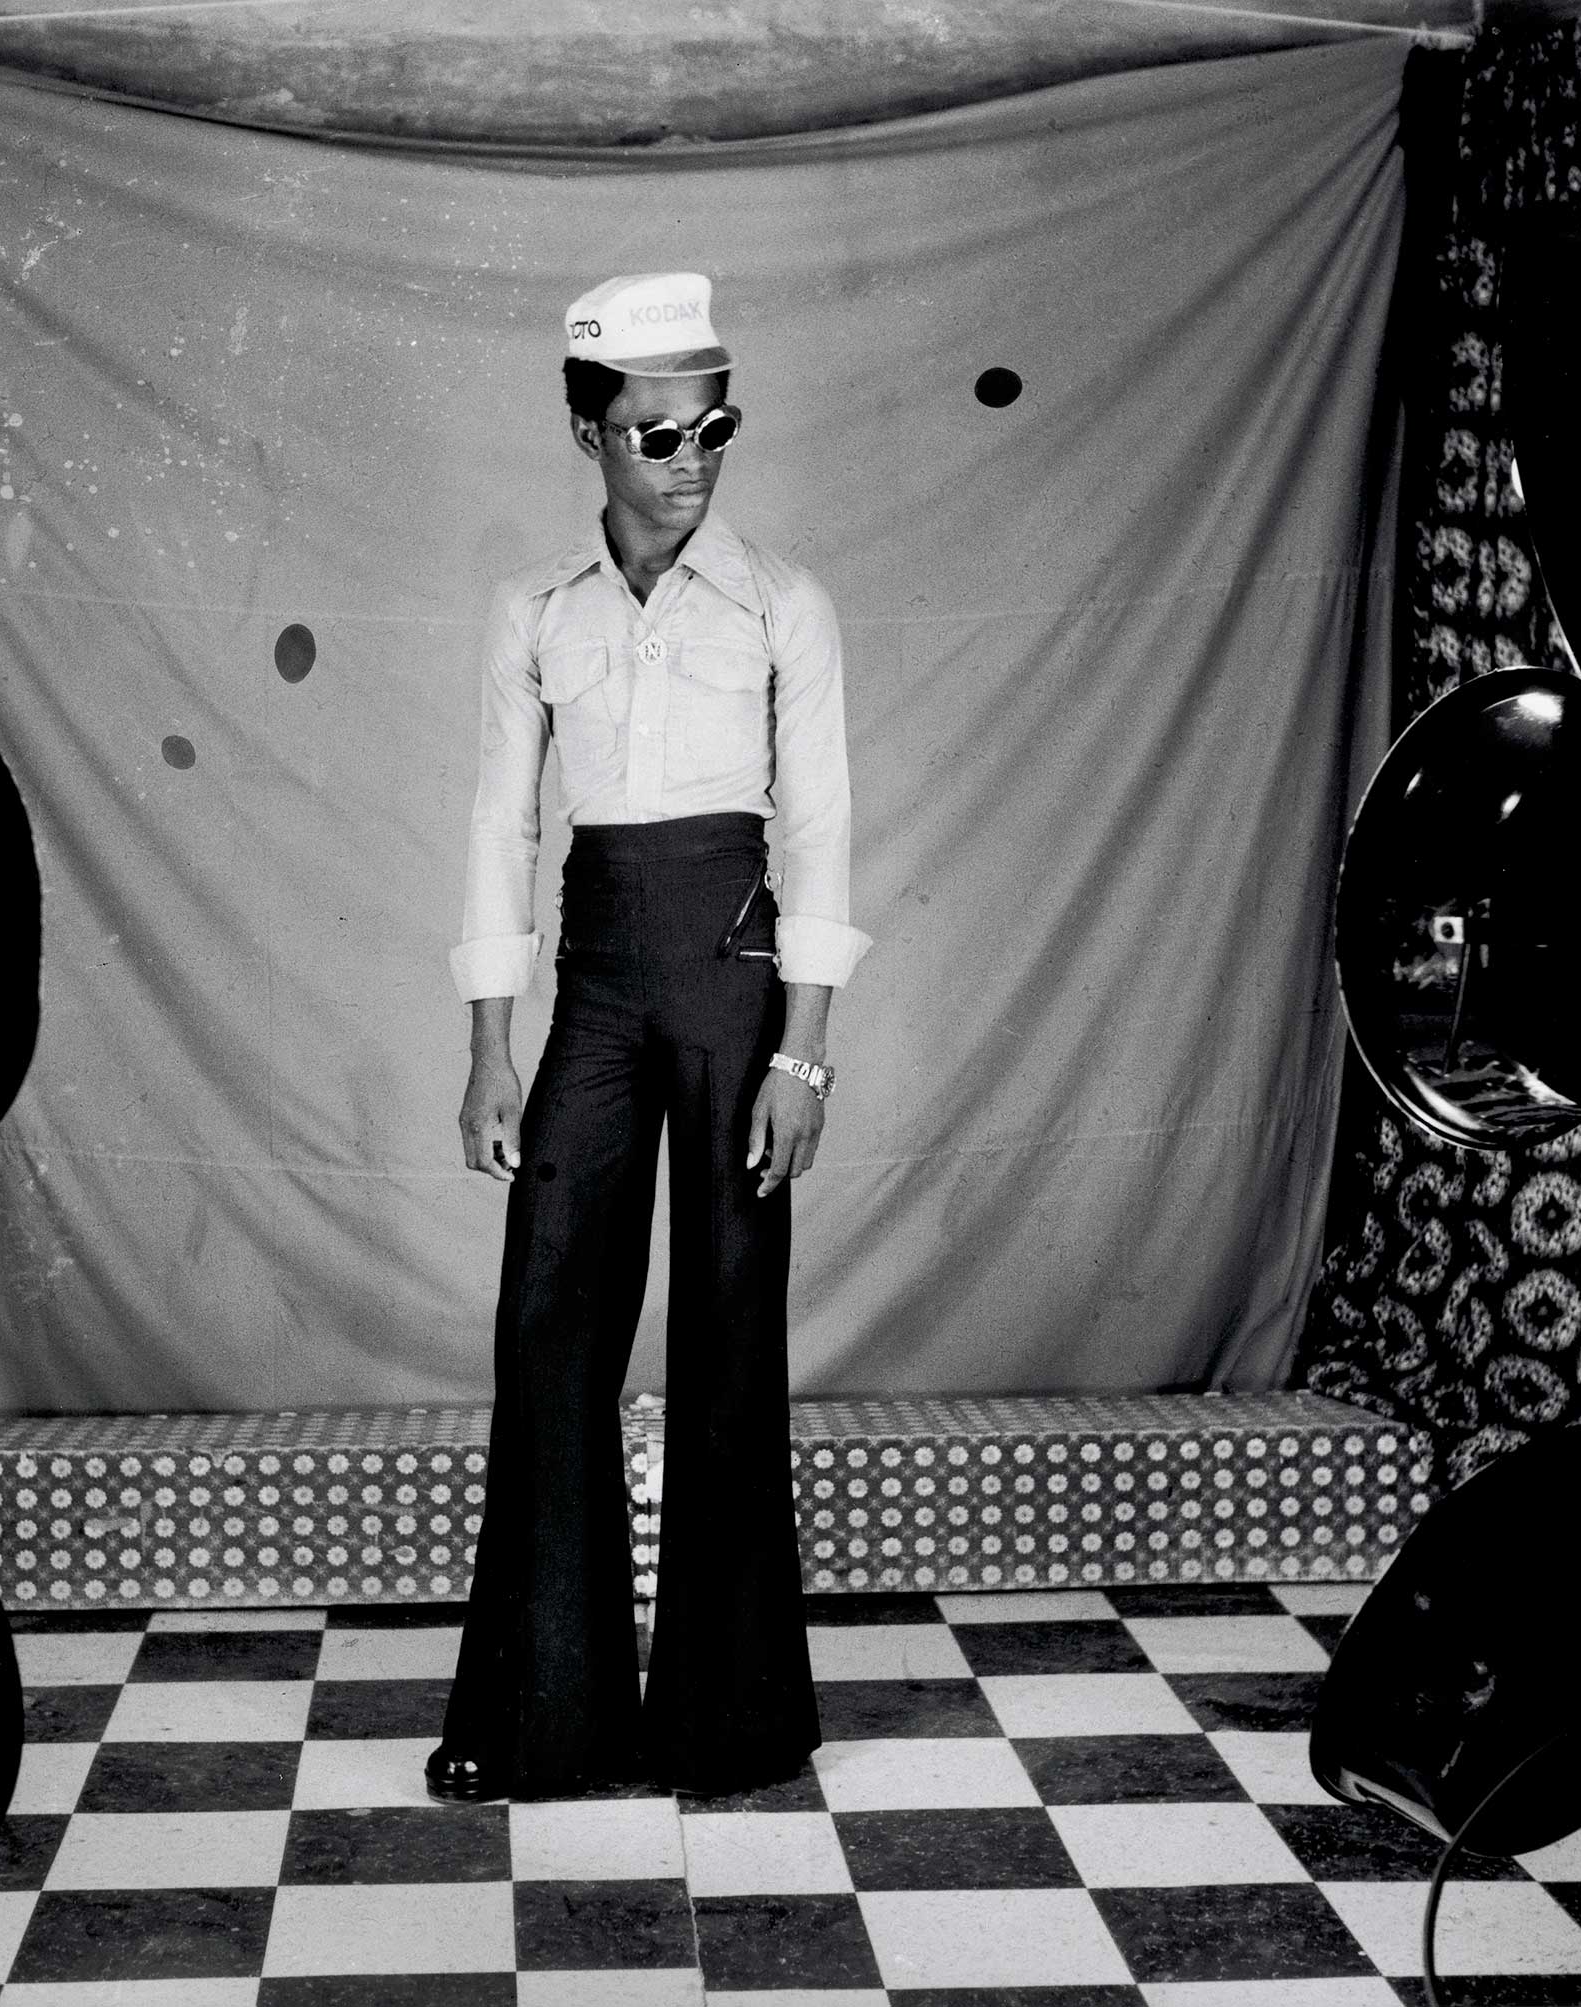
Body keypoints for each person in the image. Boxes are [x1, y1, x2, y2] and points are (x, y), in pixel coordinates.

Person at [429, 272, 871, 1802]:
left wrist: (804, 1055)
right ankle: (546, 1718)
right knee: (550, 1327)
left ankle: (728, 1725)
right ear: (589, 432)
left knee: (732, 1336)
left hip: (740, 986)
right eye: (655, 433)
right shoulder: (534, 613)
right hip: (601, 987)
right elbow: (500, 821)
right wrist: (492, 1045)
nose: (688, 461)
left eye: (715, 428)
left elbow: (818, 829)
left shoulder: (784, 605)